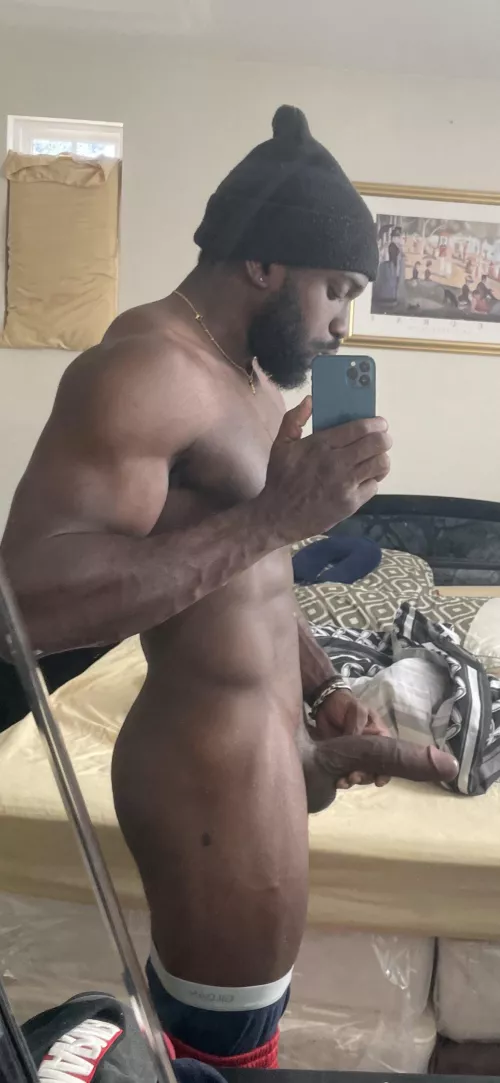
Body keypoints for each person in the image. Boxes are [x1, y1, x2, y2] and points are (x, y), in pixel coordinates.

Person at [0, 105, 457, 1070]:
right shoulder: (144, 369)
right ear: (263, 263)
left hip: (261, 759)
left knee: (222, 1040)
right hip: (201, 781)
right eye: (336, 290)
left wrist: (323, 688)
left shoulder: (249, 380)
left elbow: (258, 573)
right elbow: (24, 604)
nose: (343, 323)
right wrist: (274, 516)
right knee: (218, 1050)